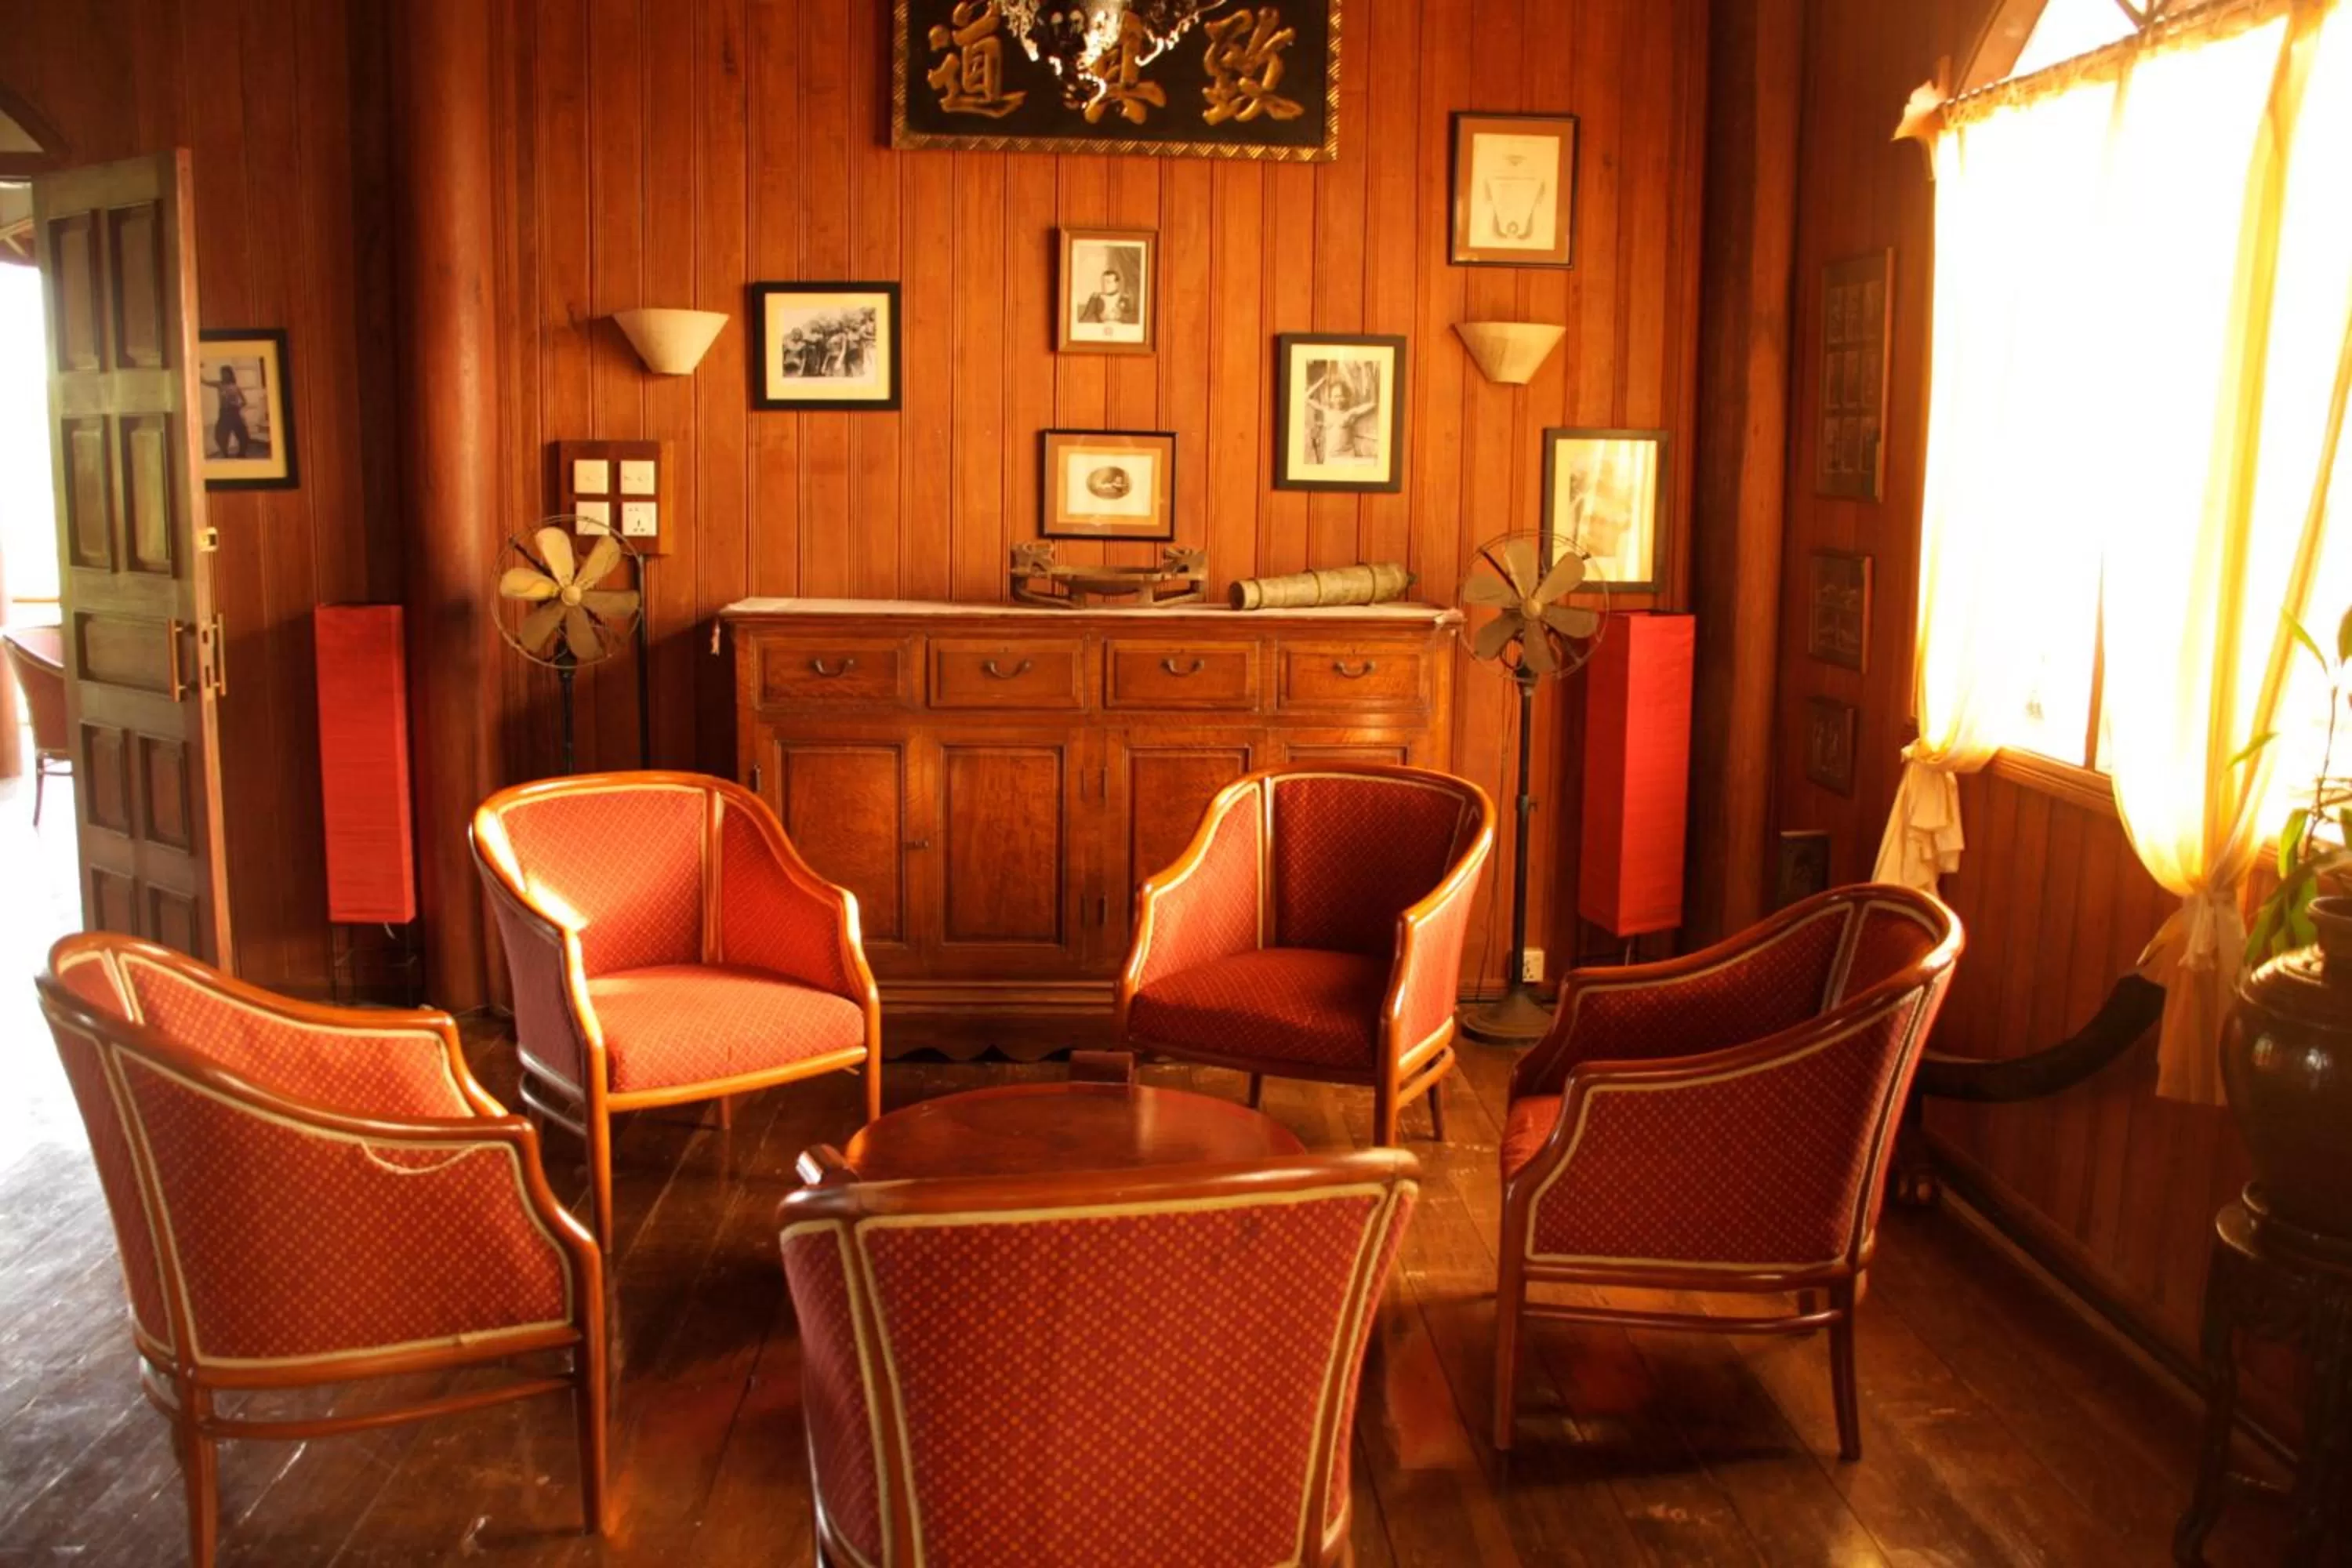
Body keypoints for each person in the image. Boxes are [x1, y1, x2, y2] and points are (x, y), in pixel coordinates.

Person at [1077, 264, 1137, 328]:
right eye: (1103, 282)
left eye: (1108, 282)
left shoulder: (1124, 298)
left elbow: (1132, 322)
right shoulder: (1096, 298)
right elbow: (1085, 318)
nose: (1104, 285)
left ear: (1117, 284)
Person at [212, 365, 249, 459]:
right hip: (224, 413)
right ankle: (225, 454)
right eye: (222, 373)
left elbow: (245, 402)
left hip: (234, 413)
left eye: (226, 373)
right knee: (219, 435)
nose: (224, 375)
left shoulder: (236, 387)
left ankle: (241, 455)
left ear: (230, 374)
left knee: (243, 436)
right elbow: (203, 381)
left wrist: (237, 406)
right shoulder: (219, 385)